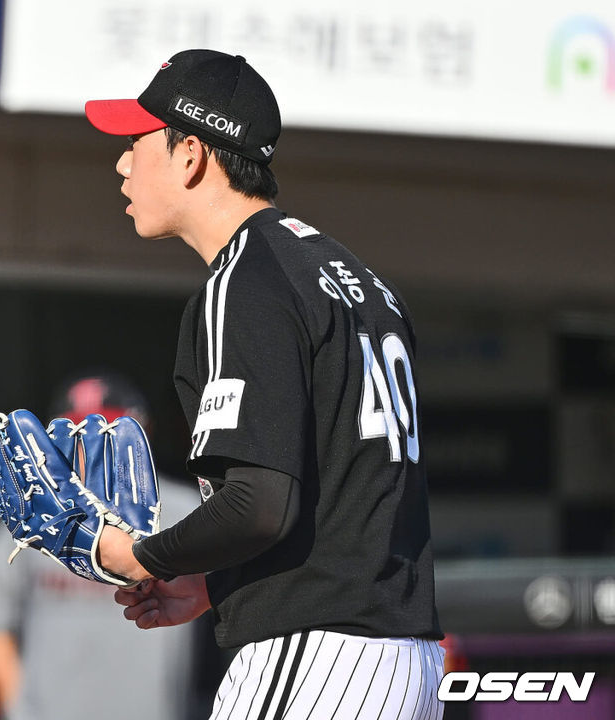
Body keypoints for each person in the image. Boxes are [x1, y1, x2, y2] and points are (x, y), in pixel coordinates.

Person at [83, 50, 445, 719]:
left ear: (190, 153)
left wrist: (141, 556)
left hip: (317, 653)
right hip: (399, 658)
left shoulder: (243, 281)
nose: (123, 164)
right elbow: (335, 497)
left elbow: (259, 504)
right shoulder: (354, 276)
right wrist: (218, 582)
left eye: (136, 142)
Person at [0, 371, 213, 720]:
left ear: (142, 433)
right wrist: (18, 710)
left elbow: (247, 594)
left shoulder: (189, 509)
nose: (90, 446)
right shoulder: (31, 512)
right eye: (77, 432)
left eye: (107, 431)